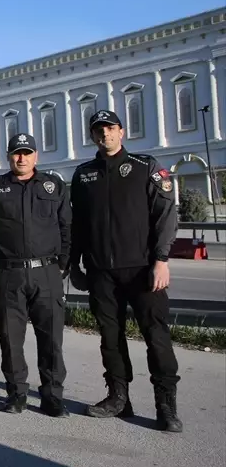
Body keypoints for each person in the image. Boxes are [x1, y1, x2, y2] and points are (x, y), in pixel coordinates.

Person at [69, 109, 182, 432]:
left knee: (156, 336)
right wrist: (74, 264)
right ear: (92, 136)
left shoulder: (146, 168)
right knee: (110, 337)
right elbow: (78, 224)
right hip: (101, 271)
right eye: (98, 130)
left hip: (143, 270)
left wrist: (161, 260)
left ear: (122, 132)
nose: (104, 134)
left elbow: (165, 216)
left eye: (110, 128)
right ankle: (119, 397)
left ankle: (166, 405)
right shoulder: (84, 174)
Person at [0, 133, 71, 417]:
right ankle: (17, 393)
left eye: (27, 153)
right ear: (8, 156)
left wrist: (63, 264)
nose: (21, 158)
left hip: (46, 272)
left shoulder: (53, 185)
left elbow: (67, 226)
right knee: (10, 338)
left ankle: (52, 396)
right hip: (9, 274)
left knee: (51, 338)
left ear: (36, 156)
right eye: (16, 153)